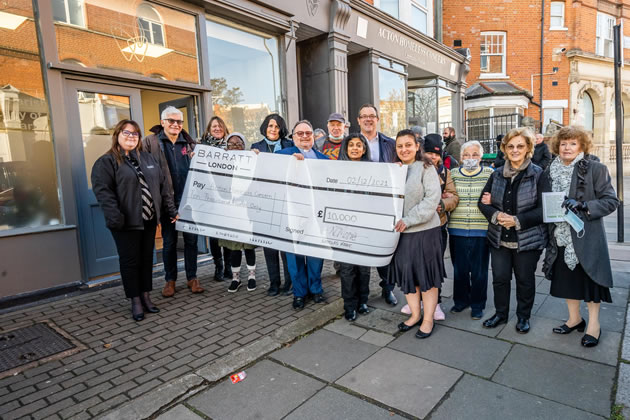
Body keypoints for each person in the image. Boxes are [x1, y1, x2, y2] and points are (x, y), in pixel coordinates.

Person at [92, 120, 177, 321]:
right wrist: (116, 219)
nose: (131, 136)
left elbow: (162, 186)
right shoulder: (107, 161)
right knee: (130, 262)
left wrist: (169, 210)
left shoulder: (147, 158)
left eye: (135, 134)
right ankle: (135, 300)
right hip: (125, 223)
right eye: (127, 133)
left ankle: (146, 296)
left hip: (148, 220)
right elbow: (104, 193)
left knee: (147, 260)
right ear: (117, 135)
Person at [543, 126, 619, 347]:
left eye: (573, 143)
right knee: (569, 280)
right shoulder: (549, 170)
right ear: (558, 146)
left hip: (587, 236)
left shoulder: (595, 168)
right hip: (561, 235)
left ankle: (593, 325)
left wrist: (584, 205)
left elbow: (611, 201)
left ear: (582, 146)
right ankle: (575, 319)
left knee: (590, 281)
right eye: (564, 143)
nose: (567, 147)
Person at [478, 127, 547, 334]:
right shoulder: (497, 174)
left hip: (527, 239)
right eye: (510, 146)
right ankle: (500, 314)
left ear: (528, 149)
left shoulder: (538, 174)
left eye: (520, 146)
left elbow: (545, 210)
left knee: (525, 280)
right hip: (499, 238)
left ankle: (523, 317)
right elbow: (482, 202)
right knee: (500, 278)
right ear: (505, 150)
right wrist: (496, 215)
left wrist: (517, 220)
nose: (515, 150)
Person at [389, 129, 443, 339]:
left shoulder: (426, 168)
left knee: (426, 277)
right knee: (408, 276)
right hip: (401, 235)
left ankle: (428, 319)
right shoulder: (393, 169)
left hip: (424, 232)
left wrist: (408, 220)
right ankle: (415, 314)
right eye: (400, 146)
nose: (404, 149)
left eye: (408, 145)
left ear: (417, 146)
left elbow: (431, 200)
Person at [143, 106, 202, 298]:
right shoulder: (150, 142)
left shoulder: (190, 143)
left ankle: (192, 277)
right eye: (171, 121)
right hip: (166, 202)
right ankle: (170, 280)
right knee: (169, 243)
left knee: (191, 241)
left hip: (189, 202)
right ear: (162, 122)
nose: (176, 125)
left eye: (179, 121)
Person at [277, 120, 329, 310]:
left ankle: (316, 289)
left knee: (316, 253)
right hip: (292, 214)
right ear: (293, 137)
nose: (305, 136)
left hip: (316, 214)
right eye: (300, 133)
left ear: (314, 136)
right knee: (295, 255)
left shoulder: (324, 160)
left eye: (308, 133)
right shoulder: (281, 156)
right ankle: (299, 293)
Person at [357, 103, 398, 306]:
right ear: (358, 120)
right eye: (364, 116)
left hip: (384, 205)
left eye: (371, 116)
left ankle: (388, 288)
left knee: (385, 248)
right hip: (360, 206)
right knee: (363, 251)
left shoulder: (390, 143)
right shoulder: (352, 143)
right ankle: (362, 295)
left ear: (377, 119)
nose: (368, 119)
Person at [448, 141, 494, 319]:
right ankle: (460, 301)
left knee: (479, 271)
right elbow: (447, 194)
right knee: (459, 269)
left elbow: (497, 195)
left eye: (475, 155)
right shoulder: (452, 174)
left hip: (480, 230)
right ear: (460, 157)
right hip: (457, 229)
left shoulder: (490, 173)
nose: (470, 158)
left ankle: (477, 304)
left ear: (481, 157)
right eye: (466, 155)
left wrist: (493, 199)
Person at [251, 114, 294, 296]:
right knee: (269, 247)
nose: (273, 130)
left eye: (277, 127)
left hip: (285, 202)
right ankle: (274, 283)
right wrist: (251, 158)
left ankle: (289, 283)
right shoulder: (256, 147)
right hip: (265, 203)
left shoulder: (290, 146)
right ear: (265, 128)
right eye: (270, 126)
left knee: (286, 247)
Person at [421, 133, 459, 320]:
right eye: (428, 153)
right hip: (418, 226)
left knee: (435, 263)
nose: (432, 157)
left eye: (436, 154)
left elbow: (453, 196)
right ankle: (420, 300)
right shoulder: (415, 170)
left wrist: (443, 205)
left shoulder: (445, 173)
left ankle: (435, 303)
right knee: (418, 263)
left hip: (438, 224)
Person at [337, 133, 372, 321]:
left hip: (365, 226)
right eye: (351, 145)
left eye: (359, 145)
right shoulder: (337, 169)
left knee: (364, 268)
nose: (355, 148)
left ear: (365, 149)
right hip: (344, 225)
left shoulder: (375, 171)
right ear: (346, 148)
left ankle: (363, 301)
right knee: (348, 268)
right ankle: (349, 305)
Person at [218, 133, 259, 293]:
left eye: (238, 143)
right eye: (231, 144)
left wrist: (256, 157)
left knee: (248, 246)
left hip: (247, 209)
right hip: (230, 209)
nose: (235, 147)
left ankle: (252, 276)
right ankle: (236, 278)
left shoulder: (251, 161)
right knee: (234, 246)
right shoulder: (220, 162)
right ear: (226, 147)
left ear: (244, 145)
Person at [200, 115, 232, 282]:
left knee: (227, 233)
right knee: (213, 235)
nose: (217, 129)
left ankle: (228, 266)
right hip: (210, 197)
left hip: (228, 196)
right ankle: (218, 266)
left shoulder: (232, 146)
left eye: (220, 126)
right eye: (214, 127)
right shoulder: (201, 147)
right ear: (209, 130)